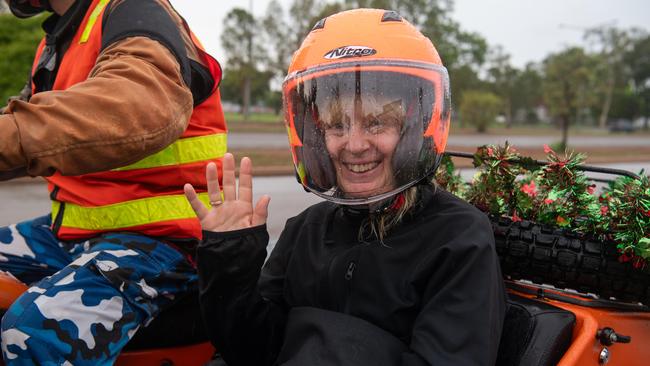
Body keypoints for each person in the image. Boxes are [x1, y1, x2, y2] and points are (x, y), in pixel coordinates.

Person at [186, 8, 506, 366]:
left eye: (376, 123)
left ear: (414, 131)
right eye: (337, 126)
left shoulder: (457, 239)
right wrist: (230, 262)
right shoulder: (305, 230)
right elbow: (250, 351)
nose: (353, 145)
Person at [0, 0, 227, 364]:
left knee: (31, 335)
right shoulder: (57, 42)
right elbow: (29, 130)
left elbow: (137, 106)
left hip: (161, 243)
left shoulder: (136, 12)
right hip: (71, 234)